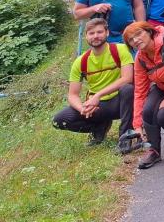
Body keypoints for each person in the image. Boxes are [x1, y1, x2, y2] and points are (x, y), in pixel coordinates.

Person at [53, 16, 138, 151]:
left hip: (120, 102)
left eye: (99, 32)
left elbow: (127, 78)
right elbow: (72, 95)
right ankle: (99, 127)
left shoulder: (120, 49)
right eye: (91, 33)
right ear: (86, 36)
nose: (96, 36)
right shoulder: (81, 61)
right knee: (59, 120)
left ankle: (125, 137)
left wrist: (98, 95)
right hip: (97, 107)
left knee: (128, 89)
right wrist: (82, 109)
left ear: (107, 33)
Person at [123, 20, 164, 169]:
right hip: (162, 87)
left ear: (149, 31)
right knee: (147, 111)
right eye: (131, 40)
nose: (135, 40)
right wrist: (137, 125)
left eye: (138, 34)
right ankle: (153, 150)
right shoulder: (140, 58)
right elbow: (140, 91)